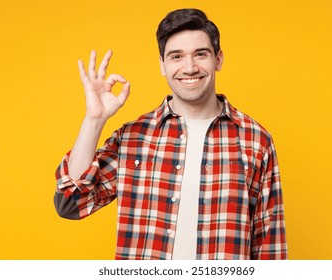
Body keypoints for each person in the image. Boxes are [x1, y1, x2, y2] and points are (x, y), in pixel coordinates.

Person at [54, 8, 287, 260]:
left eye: (200, 54)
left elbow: (269, 245)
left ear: (218, 59)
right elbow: (71, 203)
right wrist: (94, 120)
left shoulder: (255, 140)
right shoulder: (133, 138)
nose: (189, 67)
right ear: (162, 65)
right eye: (176, 56)